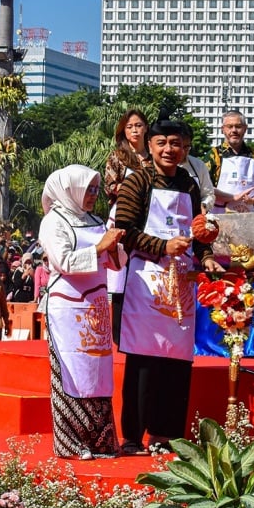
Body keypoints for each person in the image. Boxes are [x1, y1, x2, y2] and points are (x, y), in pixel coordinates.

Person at [114, 117, 223, 455]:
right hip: (147, 282)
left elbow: (199, 232)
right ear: (150, 145)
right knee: (144, 362)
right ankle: (134, 435)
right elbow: (124, 229)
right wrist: (163, 247)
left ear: (184, 148)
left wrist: (205, 257)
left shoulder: (190, 185)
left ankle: (168, 434)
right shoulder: (137, 182)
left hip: (182, 283)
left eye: (175, 144)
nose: (168, 150)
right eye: (162, 143)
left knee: (176, 362)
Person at [38, 165, 127, 460]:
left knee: (98, 374)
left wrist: (114, 248)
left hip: (96, 304)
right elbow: (63, 261)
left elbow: (115, 264)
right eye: (87, 190)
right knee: (71, 374)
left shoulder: (95, 220)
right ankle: (71, 443)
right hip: (66, 306)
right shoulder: (54, 221)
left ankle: (101, 441)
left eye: (95, 190)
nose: (92, 195)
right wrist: (102, 246)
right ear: (71, 189)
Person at [104, 109, 150, 344]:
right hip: (123, 216)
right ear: (124, 130)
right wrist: (137, 191)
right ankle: (119, 333)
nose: (135, 130)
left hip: (151, 218)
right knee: (121, 273)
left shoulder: (153, 155)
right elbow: (110, 186)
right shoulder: (118, 156)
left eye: (139, 125)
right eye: (130, 126)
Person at [209, 110, 254, 213]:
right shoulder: (214, 155)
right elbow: (206, 187)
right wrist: (233, 197)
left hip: (251, 214)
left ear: (245, 129)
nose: (234, 130)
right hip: (220, 215)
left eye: (238, 126)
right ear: (223, 129)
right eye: (229, 126)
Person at [180, 124, 216, 213]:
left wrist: (204, 205)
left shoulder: (198, 165)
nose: (182, 151)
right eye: (178, 146)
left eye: (186, 147)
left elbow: (208, 194)